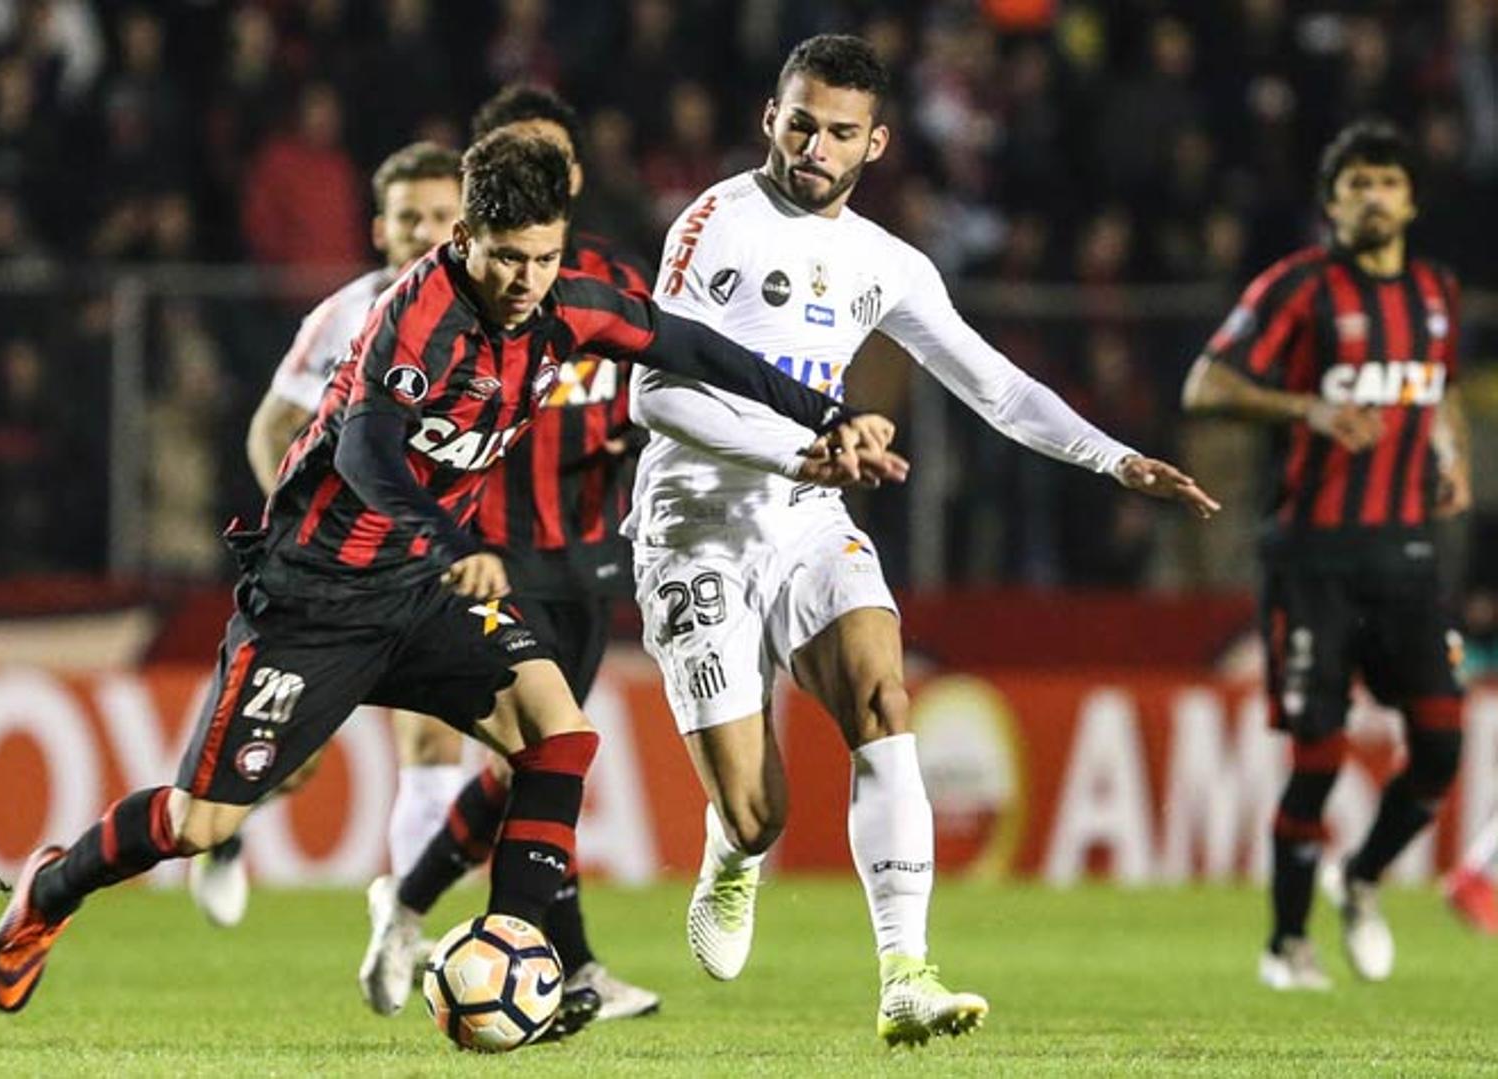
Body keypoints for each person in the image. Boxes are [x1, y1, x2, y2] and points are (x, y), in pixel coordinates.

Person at [0, 129, 891, 1015]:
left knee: (559, 735)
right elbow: (368, 458)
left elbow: (686, 344)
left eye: (542, 258)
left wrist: (826, 413)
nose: (524, 279)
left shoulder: (563, 306)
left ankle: (514, 947)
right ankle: (50, 890)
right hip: (315, 600)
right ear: (464, 240)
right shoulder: (417, 322)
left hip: (420, 593)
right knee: (200, 823)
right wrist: (458, 547)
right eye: (505, 258)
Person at [630, 35, 1217, 1047]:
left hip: (811, 513)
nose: (815, 145)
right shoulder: (714, 222)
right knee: (759, 809)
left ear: (878, 143)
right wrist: (802, 448)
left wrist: (1113, 458)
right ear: (772, 116)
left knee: (880, 691)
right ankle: (736, 853)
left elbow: (993, 385)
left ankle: (906, 972)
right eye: (801, 121)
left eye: (840, 132)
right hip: (700, 520)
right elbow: (656, 390)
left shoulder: (887, 263)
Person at [359, 85, 660, 1030]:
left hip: (585, 550)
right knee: (539, 749)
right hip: (488, 551)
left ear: (573, 174)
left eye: (555, 155)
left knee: (528, 762)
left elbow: (656, 393)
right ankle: (559, 961)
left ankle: (407, 902)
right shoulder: (460, 294)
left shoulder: (599, 281)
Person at [1183, 119, 1473, 990]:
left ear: (1412, 199)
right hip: (1310, 556)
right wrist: (1305, 410)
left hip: (1406, 555)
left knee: (1441, 746)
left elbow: (1438, 387)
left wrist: (1450, 452)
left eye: (1388, 181)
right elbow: (1207, 385)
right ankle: (1287, 942)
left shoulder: (1436, 293)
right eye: (1356, 184)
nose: (1373, 197)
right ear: (1332, 200)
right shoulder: (1299, 287)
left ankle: (1365, 876)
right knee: (1318, 751)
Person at [184, 140, 463, 928]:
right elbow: (270, 428)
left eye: (442, 216)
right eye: (410, 217)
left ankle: (406, 936)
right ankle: (223, 831)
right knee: (293, 761)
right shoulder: (342, 315)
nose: (425, 231)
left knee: (437, 747)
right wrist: (306, 525)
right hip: (336, 570)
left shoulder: (486, 317)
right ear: (381, 228)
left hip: (424, 566)